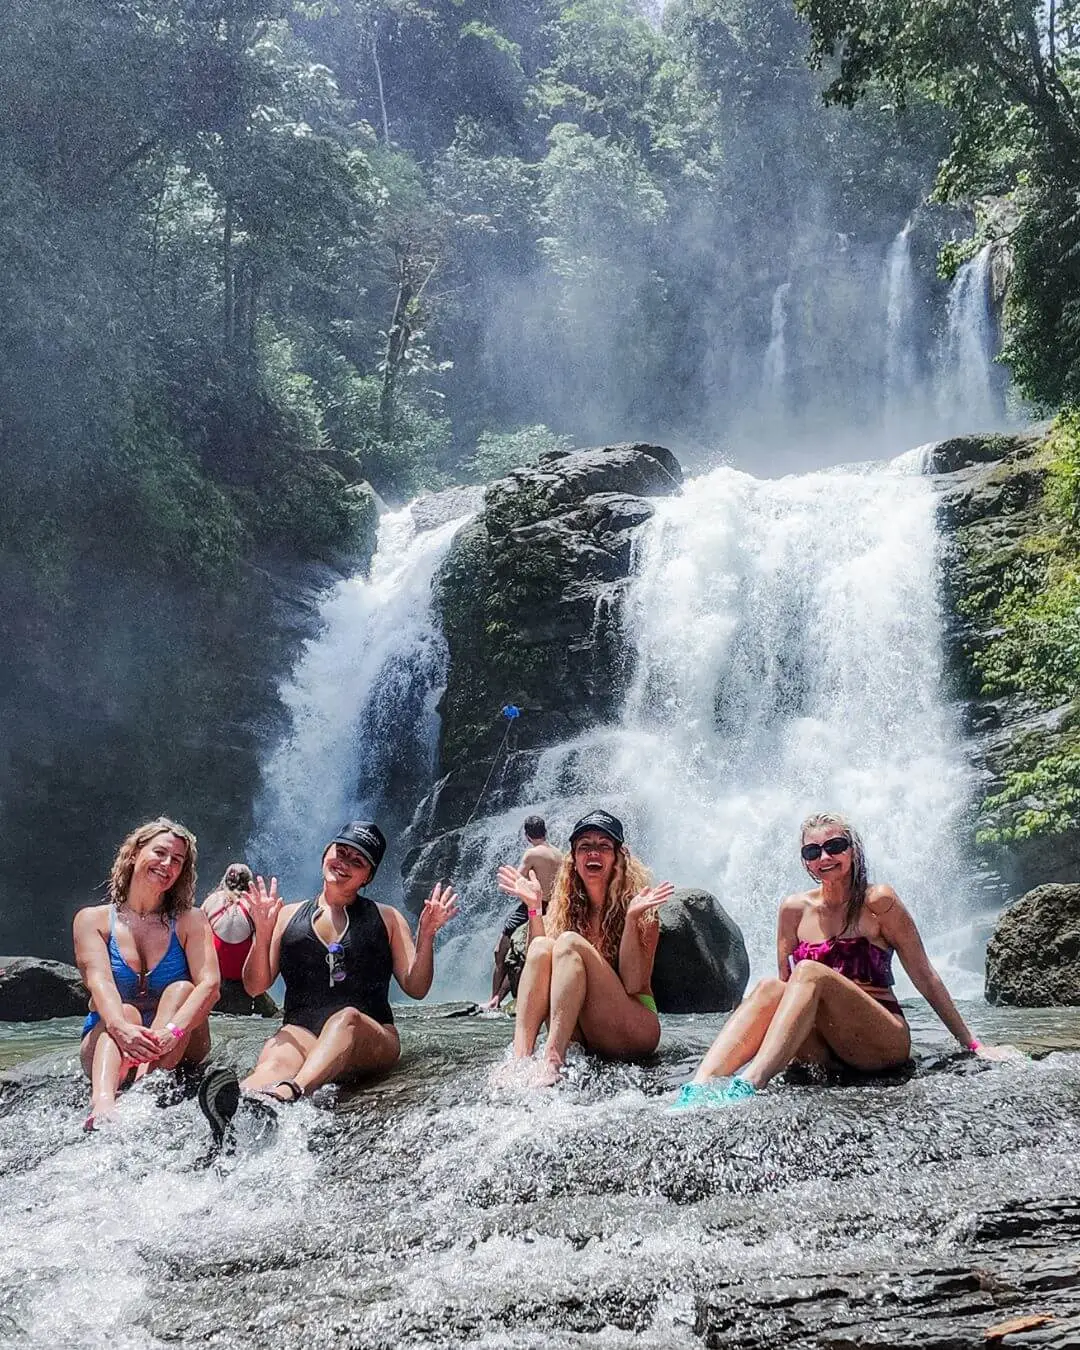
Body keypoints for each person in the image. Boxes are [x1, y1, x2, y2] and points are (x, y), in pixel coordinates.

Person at [674, 811, 1015, 1108]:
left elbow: (925, 975)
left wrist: (972, 1044)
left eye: (835, 846)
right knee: (769, 987)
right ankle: (698, 1086)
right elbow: (782, 994)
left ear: (854, 850)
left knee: (808, 972)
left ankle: (751, 1083)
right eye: (813, 851)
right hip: (822, 1049)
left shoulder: (878, 902)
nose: (825, 856)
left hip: (879, 1043)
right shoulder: (793, 909)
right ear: (805, 860)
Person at [197, 820, 458, 1142]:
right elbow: (255, 986)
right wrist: (262, 933)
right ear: (325, 853)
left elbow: (416, 988)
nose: (344, 863)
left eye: (357, 861)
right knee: (277, 1056)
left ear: (368, 877)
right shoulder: (285, 915)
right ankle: (238, 1105)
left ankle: (290, 1093)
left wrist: (428, 933)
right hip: (303, 1031)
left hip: (371, 1038)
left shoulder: (388, 918)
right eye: (341, 852)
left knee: (345, 1019)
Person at [496, 808, 674, 1085]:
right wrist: (534, 909)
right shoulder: (566, 907)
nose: (593, 853)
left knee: (568, 942)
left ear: (618, 858)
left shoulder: (641, 908)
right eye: (585, 847)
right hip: (587, 1030)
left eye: (604, 846)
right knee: (544, 945)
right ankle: (519, 1058)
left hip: (633, 1028)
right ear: (574, 860)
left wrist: (631, 920)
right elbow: (537, 967)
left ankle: (553, 1060)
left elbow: (633, 983)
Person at [73, 817, 220, 1130]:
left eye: (177, 861)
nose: (167, 864)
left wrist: (174, 1032)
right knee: (123, 1010)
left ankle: (145, 1092)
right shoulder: (92, 921)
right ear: (134, 854)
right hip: (110, 1042)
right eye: (160, 853)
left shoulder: (191, 920)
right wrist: (121, 1028)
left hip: (179, 1040)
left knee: (182, 989)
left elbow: (210, 985)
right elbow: (99, 983)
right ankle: (102, 1105)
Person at [482, 815, 563, 1011]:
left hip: (532, 906)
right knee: (524, 955)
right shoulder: (559, 854)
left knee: (500, 950)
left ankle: (494, 999)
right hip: (553, 907)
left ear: (527, 835)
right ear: (545, 831)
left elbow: (517, 881)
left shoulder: (531, 854)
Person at [202, 864, 278, 1016]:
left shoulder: (211, 901)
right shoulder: (254, 905)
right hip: (246, 987)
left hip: (215, 982)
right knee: (276, 1014)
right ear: (249, 884)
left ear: (224, 881)